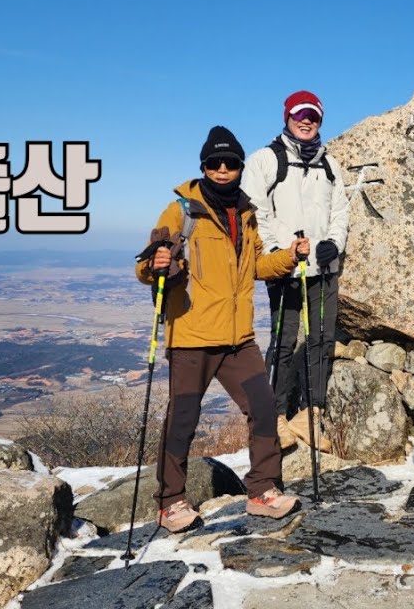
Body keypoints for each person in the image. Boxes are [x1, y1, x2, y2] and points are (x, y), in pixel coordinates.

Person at [136, 125, 305, 531]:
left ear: (241, 167)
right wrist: (155, 266)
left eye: (231, 163)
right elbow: (149, 263)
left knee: (263, 409)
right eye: (215, 162)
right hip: (192, 337)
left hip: (238, 339)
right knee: (183, 419)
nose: (223, 169)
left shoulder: (246, 215)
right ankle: (171, 501)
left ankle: (263, 490)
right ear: (204, 166)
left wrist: (289, 257)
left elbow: (258, 266)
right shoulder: (181, 211)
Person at [242, 91, 350, 453]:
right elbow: (256, 212)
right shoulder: (266, 160)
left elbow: (341, 210)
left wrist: (334, 242)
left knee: (320, 338)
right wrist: (276, 252)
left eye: (314, 117)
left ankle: (312, 412)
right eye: (300, 115)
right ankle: (274, 417)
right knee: (284, 340)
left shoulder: (330, 165)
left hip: (324, 267)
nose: (307, 121)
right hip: (285, 268)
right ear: (287, 117)